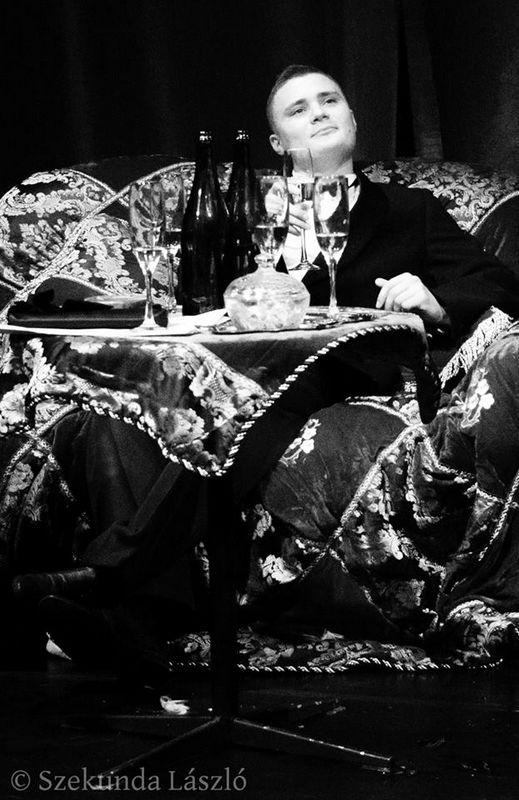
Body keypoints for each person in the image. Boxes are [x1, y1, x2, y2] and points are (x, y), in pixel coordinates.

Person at [10, 65, 519, 676]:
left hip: (339, 363)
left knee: (256, 398)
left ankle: (107, 575)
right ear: (277, 143)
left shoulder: (409, 210)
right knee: (130, 412)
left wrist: (433, 298)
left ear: (355, 119)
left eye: (330, 101)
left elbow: (498, 282)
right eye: (299, 109)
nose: (320, 112)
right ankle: (145, 620)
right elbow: (202, 295)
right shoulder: (246, 212)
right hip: (236, 358)